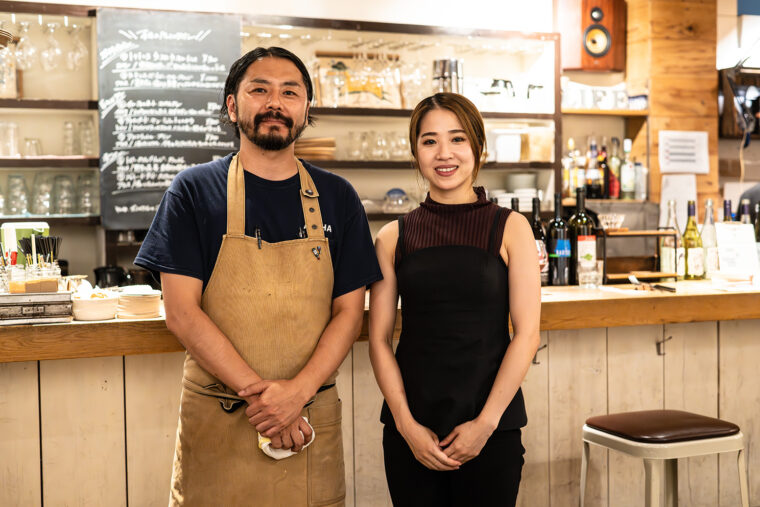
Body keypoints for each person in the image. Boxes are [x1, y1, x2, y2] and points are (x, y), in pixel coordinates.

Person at [135, 47, 382, 506]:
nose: (275, 103)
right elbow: (182, 313)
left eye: (290, 92)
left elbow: (350, 312)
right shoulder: (192, 190)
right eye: (259, 90)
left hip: (307, 419)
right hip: (222, 416)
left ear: (307, 108)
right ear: (233, 106)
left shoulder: (337, 196)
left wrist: (297, 395)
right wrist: (268, 403)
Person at [368, 93, 541, 506]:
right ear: (416, 152)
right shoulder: (393, 236)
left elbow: (527, 334)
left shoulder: (512, 228)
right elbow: (378, 340)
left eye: (457, 139)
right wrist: (407, 426)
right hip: (412, 434)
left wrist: (485, 423)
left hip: (491, 429)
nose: (444, 154)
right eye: (429, 141)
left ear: (477, 147)